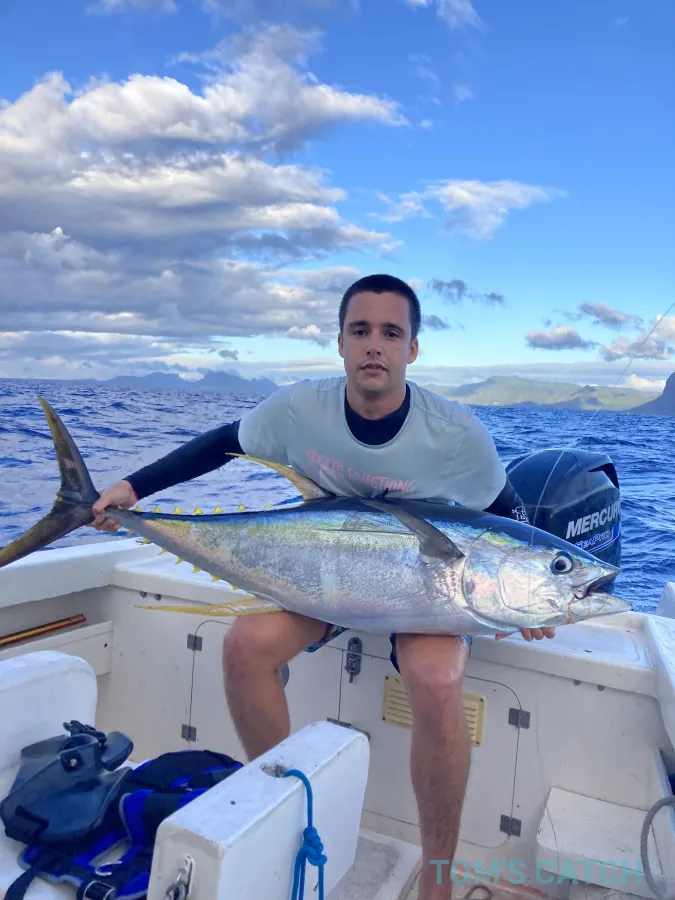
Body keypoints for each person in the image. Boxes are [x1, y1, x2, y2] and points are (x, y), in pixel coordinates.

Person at [92, 274, 555, 900]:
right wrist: (134, 490)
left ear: (413, 348)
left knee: (436, 679)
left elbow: (508, 516)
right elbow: (223, 444)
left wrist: (530, 594)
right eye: (360, 330)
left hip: (422, 591)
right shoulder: (298, 409)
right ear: (340, 342)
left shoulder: (455, 434)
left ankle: (437, 876)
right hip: (323, 574)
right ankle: (282, 821)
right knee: (245, 646)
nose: (374, 345)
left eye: (390, 333)